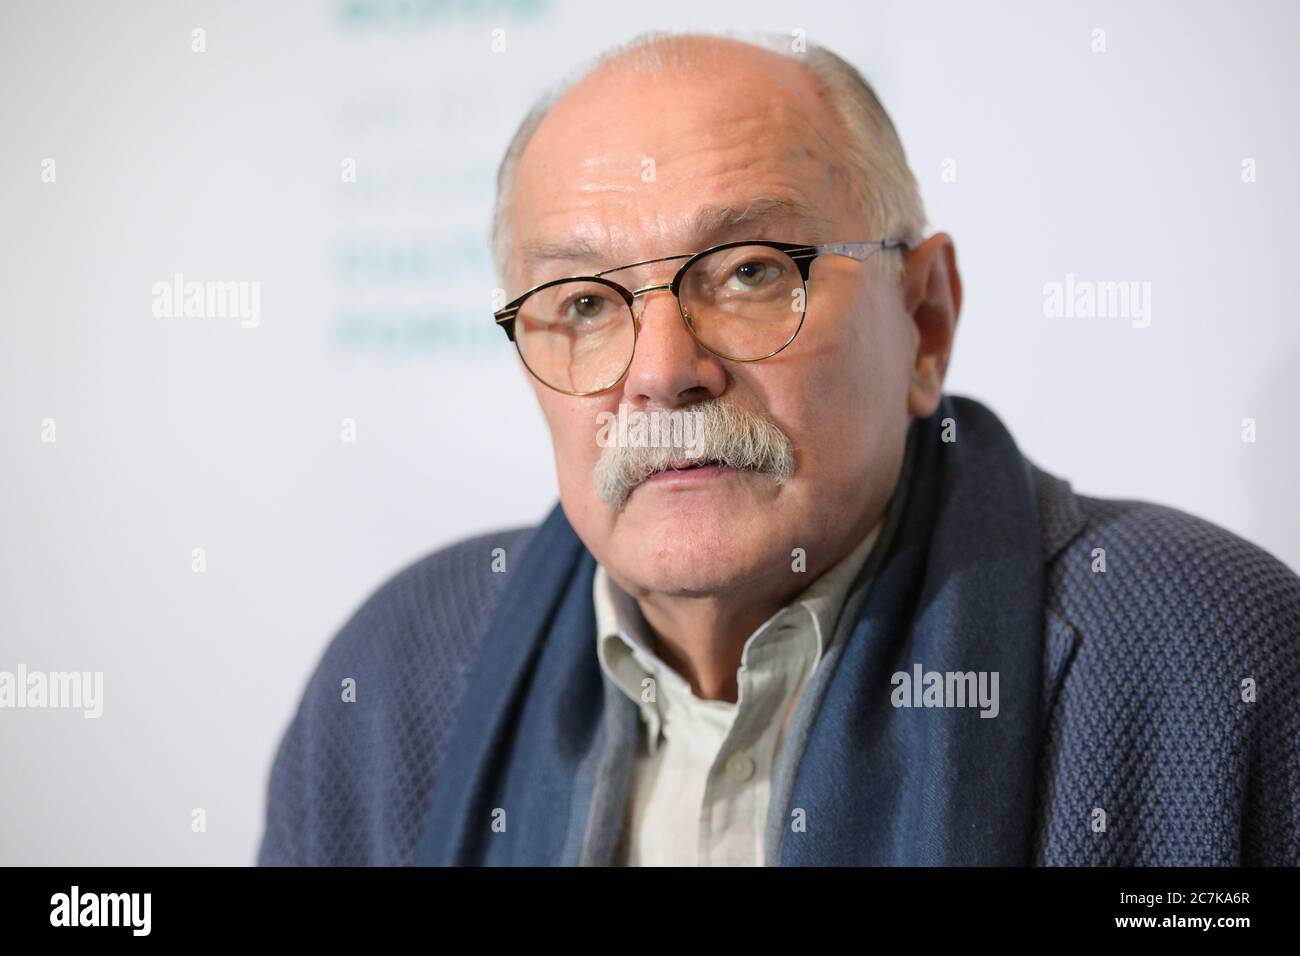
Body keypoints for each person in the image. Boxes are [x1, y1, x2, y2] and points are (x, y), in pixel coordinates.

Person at [257, 31, 1300, 866]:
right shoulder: (396, 680)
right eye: (581, 300)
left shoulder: (1210, 658)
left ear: (923, 320)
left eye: (750, 271)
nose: (661, 368)